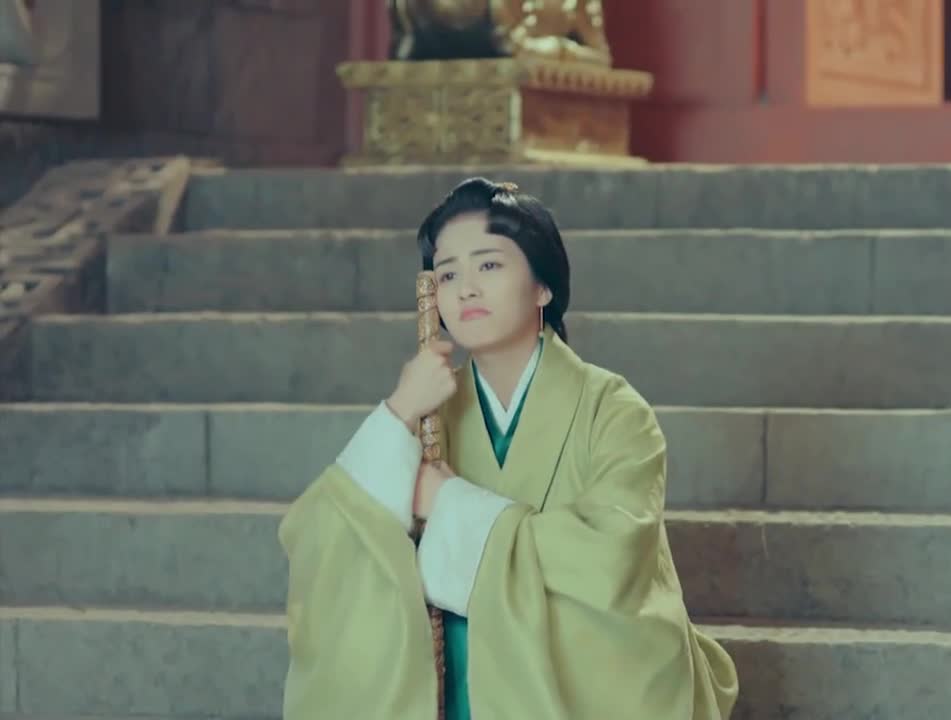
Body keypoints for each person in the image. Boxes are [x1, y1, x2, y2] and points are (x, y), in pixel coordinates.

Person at [278, 177, 739, 720]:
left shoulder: (613, 411)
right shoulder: (429, 413)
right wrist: (399, 409)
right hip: (460, 690)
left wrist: (449, 503)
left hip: (573, 687)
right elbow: (323, 541)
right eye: (448, 274)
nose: (466, 289)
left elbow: (612, 561)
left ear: (543, 286)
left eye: (489, 265)